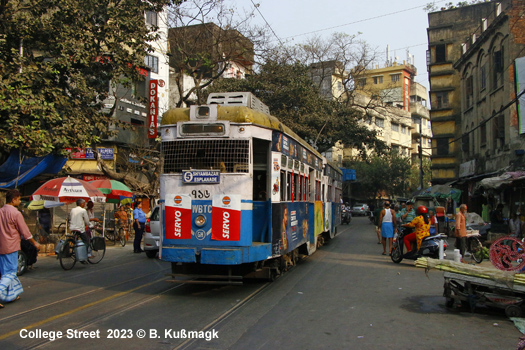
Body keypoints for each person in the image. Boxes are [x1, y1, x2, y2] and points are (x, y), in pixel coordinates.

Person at [0, 190, 40, 307]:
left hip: (1, 246)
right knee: (10, 273)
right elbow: (25, 231)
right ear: (13, 200)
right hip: (11, 246)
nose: (19, 201)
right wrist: (34, 243)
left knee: (5, 272)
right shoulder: (15, 213)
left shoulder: (1, 211)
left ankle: (12, 295)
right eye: (18, 199)